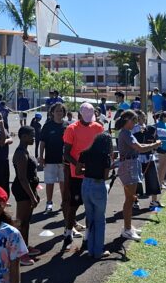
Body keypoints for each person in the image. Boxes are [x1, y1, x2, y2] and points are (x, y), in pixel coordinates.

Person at [62, 103, 105, 244]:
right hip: (77, 174)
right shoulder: (71, 129)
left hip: (93, 173)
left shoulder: (98, 128)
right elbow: (66, 154)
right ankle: (68, 232)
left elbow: (102, 149)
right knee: (73, 205)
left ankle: (87, 236)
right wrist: (78, 164)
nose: (87, 120)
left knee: (90, 207)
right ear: (79, 114)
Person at [116, 110, 160, 241]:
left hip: (131, 165)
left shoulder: (127, 133)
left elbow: (139, 146)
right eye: (134, 121)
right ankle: (127, 229)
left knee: (130, 199)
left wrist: (152, 145)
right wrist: (155, 144)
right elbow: (140, 148)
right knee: (130, 199)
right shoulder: (125, 133)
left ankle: (128, 226)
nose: (136, 123)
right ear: (127, 120)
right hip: (128, 166)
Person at [78, 132, 114, 259]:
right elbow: (105, 176)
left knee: (90, 218)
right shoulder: (105, 156)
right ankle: (98, 251)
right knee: (100, 220)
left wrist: (88, 170)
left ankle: (90, 249)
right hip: (98, 186)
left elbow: (78, 171)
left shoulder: (85, 153)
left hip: (86, 185)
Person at [12, 126, 41, 266]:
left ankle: (25, 247)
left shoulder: (26, 150)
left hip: (29, 189)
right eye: (31, 135)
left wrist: (35, 193)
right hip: (22, 190)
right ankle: (20, 254)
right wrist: (32, 196)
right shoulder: (20, 154)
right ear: (23, 136)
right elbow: (22, 178)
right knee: (21, 222)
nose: (34, 138)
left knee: (27, 221)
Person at [38, 103, 68, 216]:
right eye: (57, 111)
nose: (59, 113)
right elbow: (42, 142)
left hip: (64, 161)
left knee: (63, 183)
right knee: (50, 182)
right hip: (50, 159)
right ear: (52, 113)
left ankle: (64, 202)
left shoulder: (67, 126)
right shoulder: (47, 126)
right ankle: (49, 202)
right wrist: (41, 156)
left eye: (61, 111)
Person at [155, 111, 166, 191]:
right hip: (161, 146)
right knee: (162, 165)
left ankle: (162, 181)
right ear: (164, 117)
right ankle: (158, 183)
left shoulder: (165, 124)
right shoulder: (158, 124)